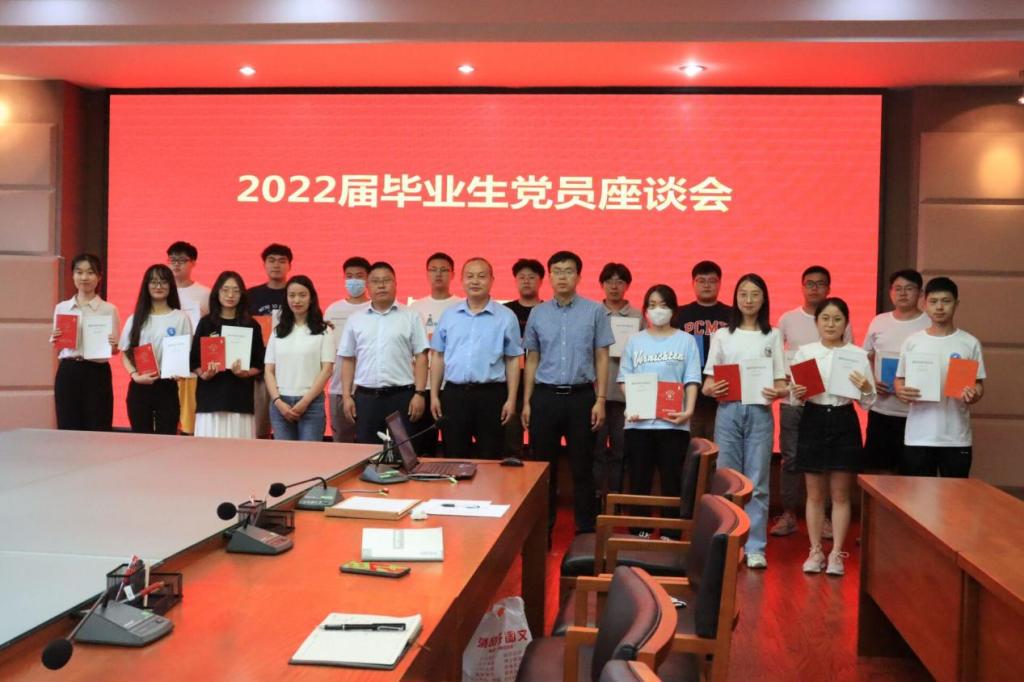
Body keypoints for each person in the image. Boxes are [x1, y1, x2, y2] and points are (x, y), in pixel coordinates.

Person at [522, 250, 614, 535]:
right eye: (557, 271)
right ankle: (542, 531)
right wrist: (527, 402)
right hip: (545, 398)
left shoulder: (594, 311)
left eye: (569, 271)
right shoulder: (538, 313)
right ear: (549, 277)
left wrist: (600, 399)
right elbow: (532, 359)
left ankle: (586, 530)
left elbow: (602, 356)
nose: (563, 277)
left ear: (579, 276)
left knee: (583, 468)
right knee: (543, 470)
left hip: (582, 398)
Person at [703, 274, 788, 568]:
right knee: (727, 480)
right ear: (735, 298)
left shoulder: (772, 335)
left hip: (760, 413)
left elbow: (782, 383)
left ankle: (755, 547)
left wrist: (777, 391)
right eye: (743, 294)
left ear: (764, 299)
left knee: (758, 482)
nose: (748, 300)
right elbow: (707, 384)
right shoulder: (722, 335)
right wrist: (713, 389)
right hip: (728, 411)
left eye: (755, 294)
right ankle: (725, 544)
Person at [790, 297, 875, 577]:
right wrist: (797, 393)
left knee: (840, 495)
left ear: (846, 323)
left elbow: (868, 402)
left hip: (843, 419)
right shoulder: (805, 353)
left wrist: (866, 387)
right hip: (813, 418)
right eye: (825, 319)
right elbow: (795, 398)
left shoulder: (857, 355)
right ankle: (815, 551)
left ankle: (837, 552)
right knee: (814, 495)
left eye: (837, 319)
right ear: (817, 322)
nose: (830, 324)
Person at [772, 265, 851, 538]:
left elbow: (847, 357)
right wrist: (784, 379)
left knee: (825, 461)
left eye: (820, 284)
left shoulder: (837, 319)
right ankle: (788, 514)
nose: (814, 288)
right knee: (791, 457)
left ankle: (826, 517)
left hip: (827, 403)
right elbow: (777, 357)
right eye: (809, 283)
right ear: (802, 286)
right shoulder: (788, 319)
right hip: (793, 400)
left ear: (828, 288)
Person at [618, 284, 701, 528]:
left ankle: (670, 531)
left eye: (663, 305)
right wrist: (633, 402)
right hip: (639, 424)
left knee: (672, 481)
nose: (658, 310)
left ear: (673, 309)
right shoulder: (634, 341)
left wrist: (689, 411)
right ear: (645, 310)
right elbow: (624, 379)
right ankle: (639, 530)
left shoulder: (686, 341)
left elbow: (692, 380)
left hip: (673, 424)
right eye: (652, 305)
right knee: (639, 480)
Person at [429, 257, 523, 458]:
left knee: (491, 457)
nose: (475, 281)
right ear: (462, 280)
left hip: (491, 395)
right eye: (470, 276)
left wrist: (511, 399)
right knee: (454, 456)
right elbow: (438, 356)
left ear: (492, 280)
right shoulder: (449, 315)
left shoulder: (506, 316)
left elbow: (513, 359)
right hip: (454, 395)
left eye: (481, 276)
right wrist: (435, 395)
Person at [895, 277, 985, 477]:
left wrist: (974, 393)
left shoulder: (969, 343)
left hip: (956, 438)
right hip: (918, 436)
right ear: (924, 304)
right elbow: (900, 378)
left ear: (956, 304)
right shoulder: (913, 342)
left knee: (955, 494)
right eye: (934, 301)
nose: (939, 307)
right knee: (917, 495)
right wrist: (901, 390)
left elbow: (978, 384)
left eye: (946, 301)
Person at [339, 262, 429, 445]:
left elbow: (421, 356)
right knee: (368, 452)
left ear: (395, 284)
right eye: (375, 281)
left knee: (403, 451)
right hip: (366, 398)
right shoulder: (355, 319)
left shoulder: (411, 316)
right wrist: (347, 396)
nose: (381, 285)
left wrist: (419, 393)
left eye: (386, 280)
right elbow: (348, 359)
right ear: (368, 286)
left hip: (401, 397)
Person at [862, 270, 929, 472]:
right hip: (882, 410)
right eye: (897, 289)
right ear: (891, 292)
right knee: (878, 473)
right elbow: (865, 356)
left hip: (917, 413)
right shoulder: (879, 321)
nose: (903, 293)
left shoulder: (929, 323)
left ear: (920, 293)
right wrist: (872, 380)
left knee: (912, 474)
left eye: (909, 288)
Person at [190, 271, 265, 439]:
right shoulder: (206, 323)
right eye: (225, 290)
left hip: (240, 399)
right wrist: (203, 374)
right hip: (210, 399)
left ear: (242, 295)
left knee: (239, 449)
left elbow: (259, 363)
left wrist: (246, 373)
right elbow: (194, 360)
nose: (230, 295)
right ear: (217, 293)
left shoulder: (251, 325)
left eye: (236, 291)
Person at [119, 264, 192, 434]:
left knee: (166, 439)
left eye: (163, 282)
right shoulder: (135, 318)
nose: (158, 286)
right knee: (140, 439)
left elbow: (186, 352)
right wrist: (135, 375)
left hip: (167, 385)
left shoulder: (180, 318)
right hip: (140, 385)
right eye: (153, 282)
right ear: (146, 285)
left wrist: (179, 371)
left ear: (170, 285)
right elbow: (125, 353)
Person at [50, 253, 120, 431]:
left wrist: (113, 345)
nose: (84, 277)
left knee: (98, 425)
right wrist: (56, 337)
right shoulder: (62, 307)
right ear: (73, 275)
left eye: (90, 272)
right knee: (67, 425)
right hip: (69, 370)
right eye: (79, 272)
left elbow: (114, 349)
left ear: (99, 277)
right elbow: (58, 344)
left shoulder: (109, 309)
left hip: (96, 373)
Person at [263, 275, 334, 442]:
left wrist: (305, 402)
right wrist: (278, 402)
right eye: (292, 295)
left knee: (309, 455)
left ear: (311, 298)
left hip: (311, 404)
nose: (297, 300)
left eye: (302, 295)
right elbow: (269, 370)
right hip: (280, 404)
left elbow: (327, 370)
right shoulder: (277, 331)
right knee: (283, 456)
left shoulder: (324, 330)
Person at [594, 262, 643, 500]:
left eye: (620, 281)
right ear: (602, 285)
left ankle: (615, 498)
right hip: (596, 395)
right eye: (609, 281)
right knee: (595, 450)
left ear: (627, 285)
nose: (614, 286)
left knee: (620, 451)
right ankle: (595, 497)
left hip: (625, 397)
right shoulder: (593, 313)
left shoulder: (637, 317)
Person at [409, 252, 464, 454]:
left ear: (453, 274)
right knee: (421, 446)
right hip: (422, 386)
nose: (438, 274)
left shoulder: (461, 306)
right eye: (433, 270)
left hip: (451, 386)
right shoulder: (415, 308)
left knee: (454, 444)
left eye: (444, 270)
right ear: (426, 273)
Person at [672, 260, 731, 439]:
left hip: (722, 393)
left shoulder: (732, 315)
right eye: (701, 281)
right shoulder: (679, 314)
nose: (707, 285)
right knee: (690, 446)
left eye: (712, 281)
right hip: (688, 392)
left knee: (719, 446)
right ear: (693, 283)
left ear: (720, 283)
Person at [324, 256, 372, 443]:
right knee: (342, 442)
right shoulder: (333, 310)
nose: (354, 281)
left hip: (369, 387)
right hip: (338, 387)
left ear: (368, 279)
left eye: (359, 276)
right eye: (349, 276)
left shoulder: (373, 308)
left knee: (370, 442)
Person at [248, 243, 293, 438]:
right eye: (271, 260)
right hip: (259, 371)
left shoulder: (296, 293)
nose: (276, 265)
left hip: (291, 369)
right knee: (259, 429)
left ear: (289, 265)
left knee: (290, 426)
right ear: (264, 264)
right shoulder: (251, 295)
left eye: (282, 261)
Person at [166, 241, 211, 436]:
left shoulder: (205, 293)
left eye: (182, 260)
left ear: (193, 263)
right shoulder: (161, 291)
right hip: (166, 366)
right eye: (172, 260)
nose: (176, 264)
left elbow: (211, 331)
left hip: (193, 368)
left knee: (190, 427)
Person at [503, 258, 545, 458]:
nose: (526, 281)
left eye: (531, 277)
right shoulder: (505, 312)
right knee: (510, 442)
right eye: (521, 277)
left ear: (541, 280)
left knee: (541, 442)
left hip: (540, 384)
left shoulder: (548, 311)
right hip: (509, 383)